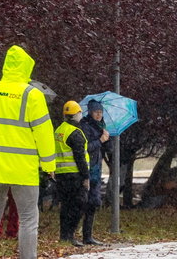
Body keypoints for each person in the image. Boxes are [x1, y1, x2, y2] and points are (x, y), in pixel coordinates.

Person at [0, 45, 56, 259]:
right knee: (29, 219)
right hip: (23, 168)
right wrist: (49, 165)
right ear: (26, 67)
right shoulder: (33, 95)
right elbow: (44, 133)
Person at [55, 101, 91, 246]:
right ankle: (70, 235)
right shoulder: (75, 133)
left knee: (65, 206)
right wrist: (86, 177)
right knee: (78, 205)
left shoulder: (59, 130)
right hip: (74, 175)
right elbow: (80, 157)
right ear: (76, 114)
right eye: (80, 113)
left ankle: (64, 235)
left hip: (61, 175)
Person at [79, 99, 111, 245]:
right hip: (87, 170)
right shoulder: (85, 127)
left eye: (100, 112)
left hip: (96, 170)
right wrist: (101, 140)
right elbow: (85, 148)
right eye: (96, 112)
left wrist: (106, 138)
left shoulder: (100, 127)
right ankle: (77, 235)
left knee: (94, 202)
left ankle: (88, 236)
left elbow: (106, 149)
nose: (99, 115)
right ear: (90, 112)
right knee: (83, 203)